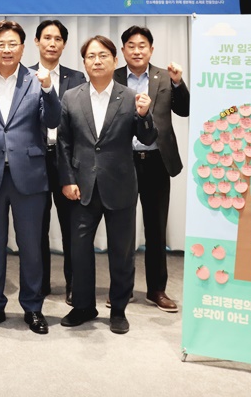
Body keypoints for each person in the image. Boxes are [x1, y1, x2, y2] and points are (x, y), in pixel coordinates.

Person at [0, 20, 60, 335]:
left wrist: (48, 89)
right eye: (0, 44)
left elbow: (53, 120)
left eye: (12, 44)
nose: (7, 50)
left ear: (23, 47)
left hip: (29, 175)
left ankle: (33, 307)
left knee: (31, 246)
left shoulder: (37, 79)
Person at [57, 35, 156, 335]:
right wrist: (67, 180)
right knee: (79, 250)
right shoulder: (71, 97)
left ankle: (119, 309)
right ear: (84, 62)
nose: (97, 61)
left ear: (115, 60)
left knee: (122, 252)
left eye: (103, 55)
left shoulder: (131, 96)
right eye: (91, 56)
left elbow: (147, 138)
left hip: (121, 186)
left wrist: (145, 116)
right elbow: (64, 143)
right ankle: (83, 306)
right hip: (82, 187)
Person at [113, 25, 189, 313]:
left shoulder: (165, 77)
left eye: (142, 45)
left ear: (151, 49)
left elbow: (184, 110)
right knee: (122, 229)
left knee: (156, 228)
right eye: (131, 46)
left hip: (157, 160)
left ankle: (157, 290)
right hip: (123, 161)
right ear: (123, 50)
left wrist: (179, 83)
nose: (137, 50)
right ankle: (122, 289)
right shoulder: (113, 77)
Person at [29, 19, 86, 302]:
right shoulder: (24, 76)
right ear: (37, 41)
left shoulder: (77, 78)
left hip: (67, 161)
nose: (52, 43)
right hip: (34, 161)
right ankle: (40, 283)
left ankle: (74, 284)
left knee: (71, 227)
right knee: (36, 226)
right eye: (47, 38)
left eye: (58, 39)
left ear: (64, 44)